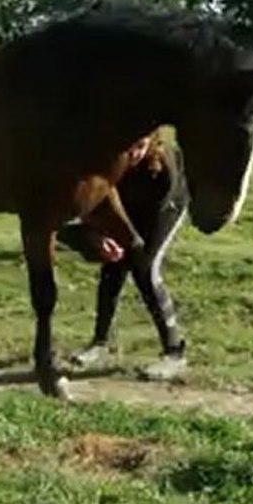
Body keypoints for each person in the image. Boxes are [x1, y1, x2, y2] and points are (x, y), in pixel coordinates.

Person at [57, 130, 189, 380]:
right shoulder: (108, 160)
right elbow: (86, 208)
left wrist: (125, 241)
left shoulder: (162, 169)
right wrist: (99, 235)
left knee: (144, 269)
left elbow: (141, 233)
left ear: (152, 142)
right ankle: (99, 343)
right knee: (112, 266)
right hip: (125, 210)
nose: (134, 153)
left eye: (141, 146)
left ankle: (174, 352)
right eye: (129, 147)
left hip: (163, 208)